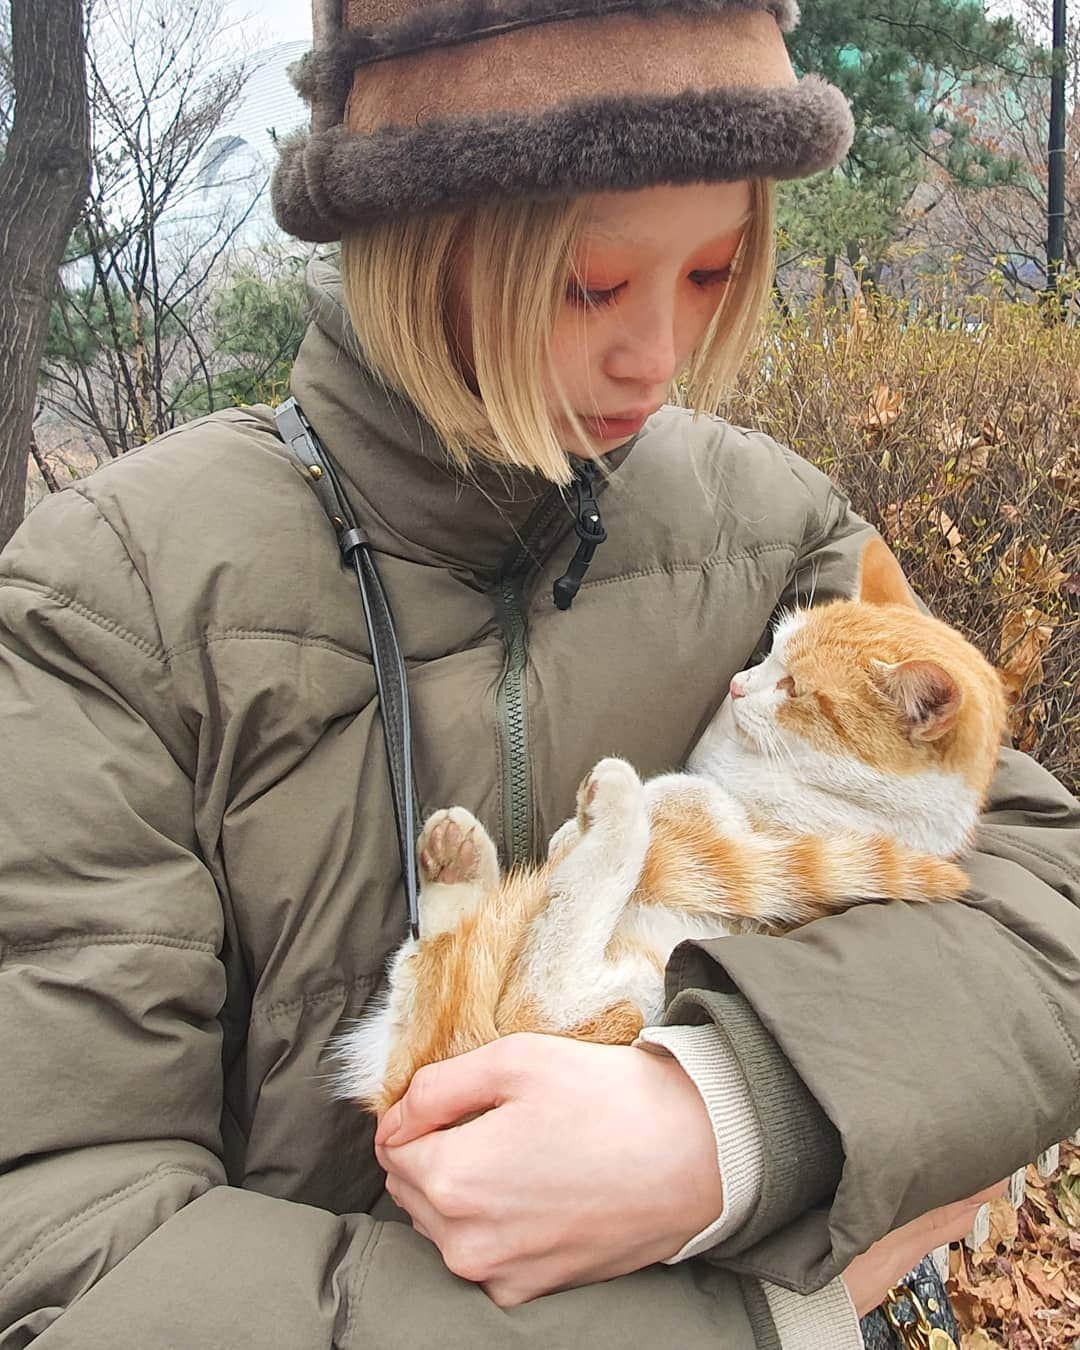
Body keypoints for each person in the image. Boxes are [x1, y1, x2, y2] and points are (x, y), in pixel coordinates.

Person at [1, 0, 1078, 1345]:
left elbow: (1037, 894)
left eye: (712, 273)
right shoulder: (121, 600)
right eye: (590, 283)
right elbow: (66, 1240)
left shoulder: (770, 531)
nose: (661, 358)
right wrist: (748, 1323)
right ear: (416, 233)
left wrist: (729, 1115)